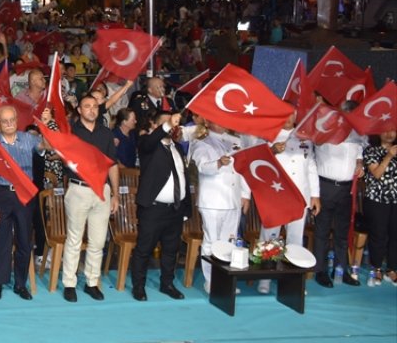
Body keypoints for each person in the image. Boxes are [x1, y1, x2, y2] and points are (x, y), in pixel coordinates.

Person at [58, 96, 119, 303]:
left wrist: (116, 194)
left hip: (102, 190)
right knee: (74, 239)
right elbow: (64, 162)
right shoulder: (72, 134)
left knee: (98, 241)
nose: (92, 110)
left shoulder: (106, 133)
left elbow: (112, 164)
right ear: (79, 109)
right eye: (87, 106)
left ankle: (92, 282)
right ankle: (69, 283)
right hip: (79, 189)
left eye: (94, 107)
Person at [249, 115, 320, 294]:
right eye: (286, 114)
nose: (290, 118)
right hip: (276, 196)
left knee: (295, 240)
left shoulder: (305, 137)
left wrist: (315, 195)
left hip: (299, 197)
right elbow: (255, 159)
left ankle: (292, 282)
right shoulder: (268, 135)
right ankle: (263, 278)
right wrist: (271, 151)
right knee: (269, 239)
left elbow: (311, 165)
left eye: (293, 114)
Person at [0, 104, 41, 301]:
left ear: (17, 120)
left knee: (24, 240)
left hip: (24, 195)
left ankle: (20, 284)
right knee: (1, 241)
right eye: (4, 121)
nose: (9, 124)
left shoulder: (29, 139)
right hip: (1, 195)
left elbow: (48, 146)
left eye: (12, 120)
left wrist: (46, 122)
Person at [129, 112, 189, 301]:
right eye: (165, 124)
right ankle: (139, 286)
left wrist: (185, 209)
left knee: (171, 249)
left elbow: (183, 179)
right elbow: (149, 141)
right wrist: (166, 124)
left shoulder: (178, 148)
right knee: (144, 249)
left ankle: (167, 284)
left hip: (175, 209)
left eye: (172, 124)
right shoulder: (148, 145)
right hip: (153, 209)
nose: (170, 126)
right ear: (154, 125)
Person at [312, 103, 366, 287]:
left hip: (346, 189)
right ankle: (320, 271)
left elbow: (359, 155)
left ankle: (341, 270)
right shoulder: (325, 128)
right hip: (325, 186)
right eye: (349, 115)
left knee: (342, 232)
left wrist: (360, 165)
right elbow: (315, 142)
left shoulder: (358, 134)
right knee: (322, 231)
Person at [189, 118, 245, 293]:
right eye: (216, 119)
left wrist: (245, 195)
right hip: (213, 199)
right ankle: (211, 280)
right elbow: (203, 167)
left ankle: (226, 279)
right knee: (211, 241)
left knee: (229, 241)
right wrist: (219, 163)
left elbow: (244, 169)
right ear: (208, 123)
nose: (222, 122)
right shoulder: (201, 142)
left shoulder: (236, 141)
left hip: (233, 198)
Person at [362, 129, 397, 284]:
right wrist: (389, 156)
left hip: (395, 200)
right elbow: (377, 174)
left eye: (393, 130)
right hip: (377, 199)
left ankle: (392, 268)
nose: (390, 134)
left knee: (395, 235)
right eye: (386, 130)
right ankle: (376, 267)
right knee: (378, 234)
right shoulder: (371, 151)